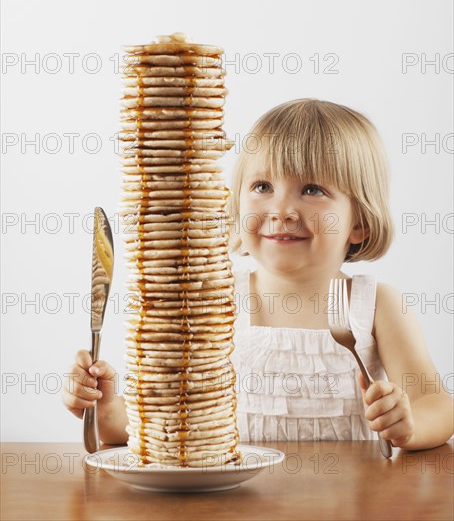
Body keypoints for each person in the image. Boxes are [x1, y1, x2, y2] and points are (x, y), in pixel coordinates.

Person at [63, 98, 453, 449]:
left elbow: (437, 404)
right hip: (233, 504)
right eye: (263, 185)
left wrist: (409, 425)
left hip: (350, 503)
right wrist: (104, 408)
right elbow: (157, 427)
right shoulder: (212, 302)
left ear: (360, 222)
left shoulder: (376, 306)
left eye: (313, 189)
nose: (281, 209)